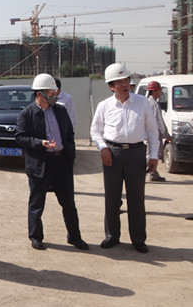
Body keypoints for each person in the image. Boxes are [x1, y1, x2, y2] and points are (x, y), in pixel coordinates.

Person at [90, 63, 159, 253]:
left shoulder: (142, 103)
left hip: (136, 153)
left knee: (136, 198)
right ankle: (112, 236)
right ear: (111, 86)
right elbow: (95, 130)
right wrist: (103, 147)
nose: (124, 85)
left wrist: (153, 155)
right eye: (119, 82)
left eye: (126, 80)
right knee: (112, 197)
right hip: (112, 154)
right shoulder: (105, 106)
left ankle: (138, 239)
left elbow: (153, 132)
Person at [16, 73, 88, 251]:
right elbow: (20, 137)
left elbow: (69, 133)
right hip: (40, 164)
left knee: (68, 203)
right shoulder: (27, 114)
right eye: (51, 92)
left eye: (55, 91)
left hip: (62, 163)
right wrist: (40, 143)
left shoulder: (61, 111)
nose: (55, 94)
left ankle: (75, 237)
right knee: (36, 204)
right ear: (39, 94)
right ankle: (36, 237)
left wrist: (70, 155)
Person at [146, 81, 170, 182]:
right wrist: (166, 134)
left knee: (152, 153)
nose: (161, 92)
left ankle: (153, 173)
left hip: (147, 133)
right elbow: (159, 121)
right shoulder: (154, 104)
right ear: (155, 91)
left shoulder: (146, 102)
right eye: (160, 90)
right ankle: (142, 175)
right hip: (154, 134)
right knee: (152, 154)